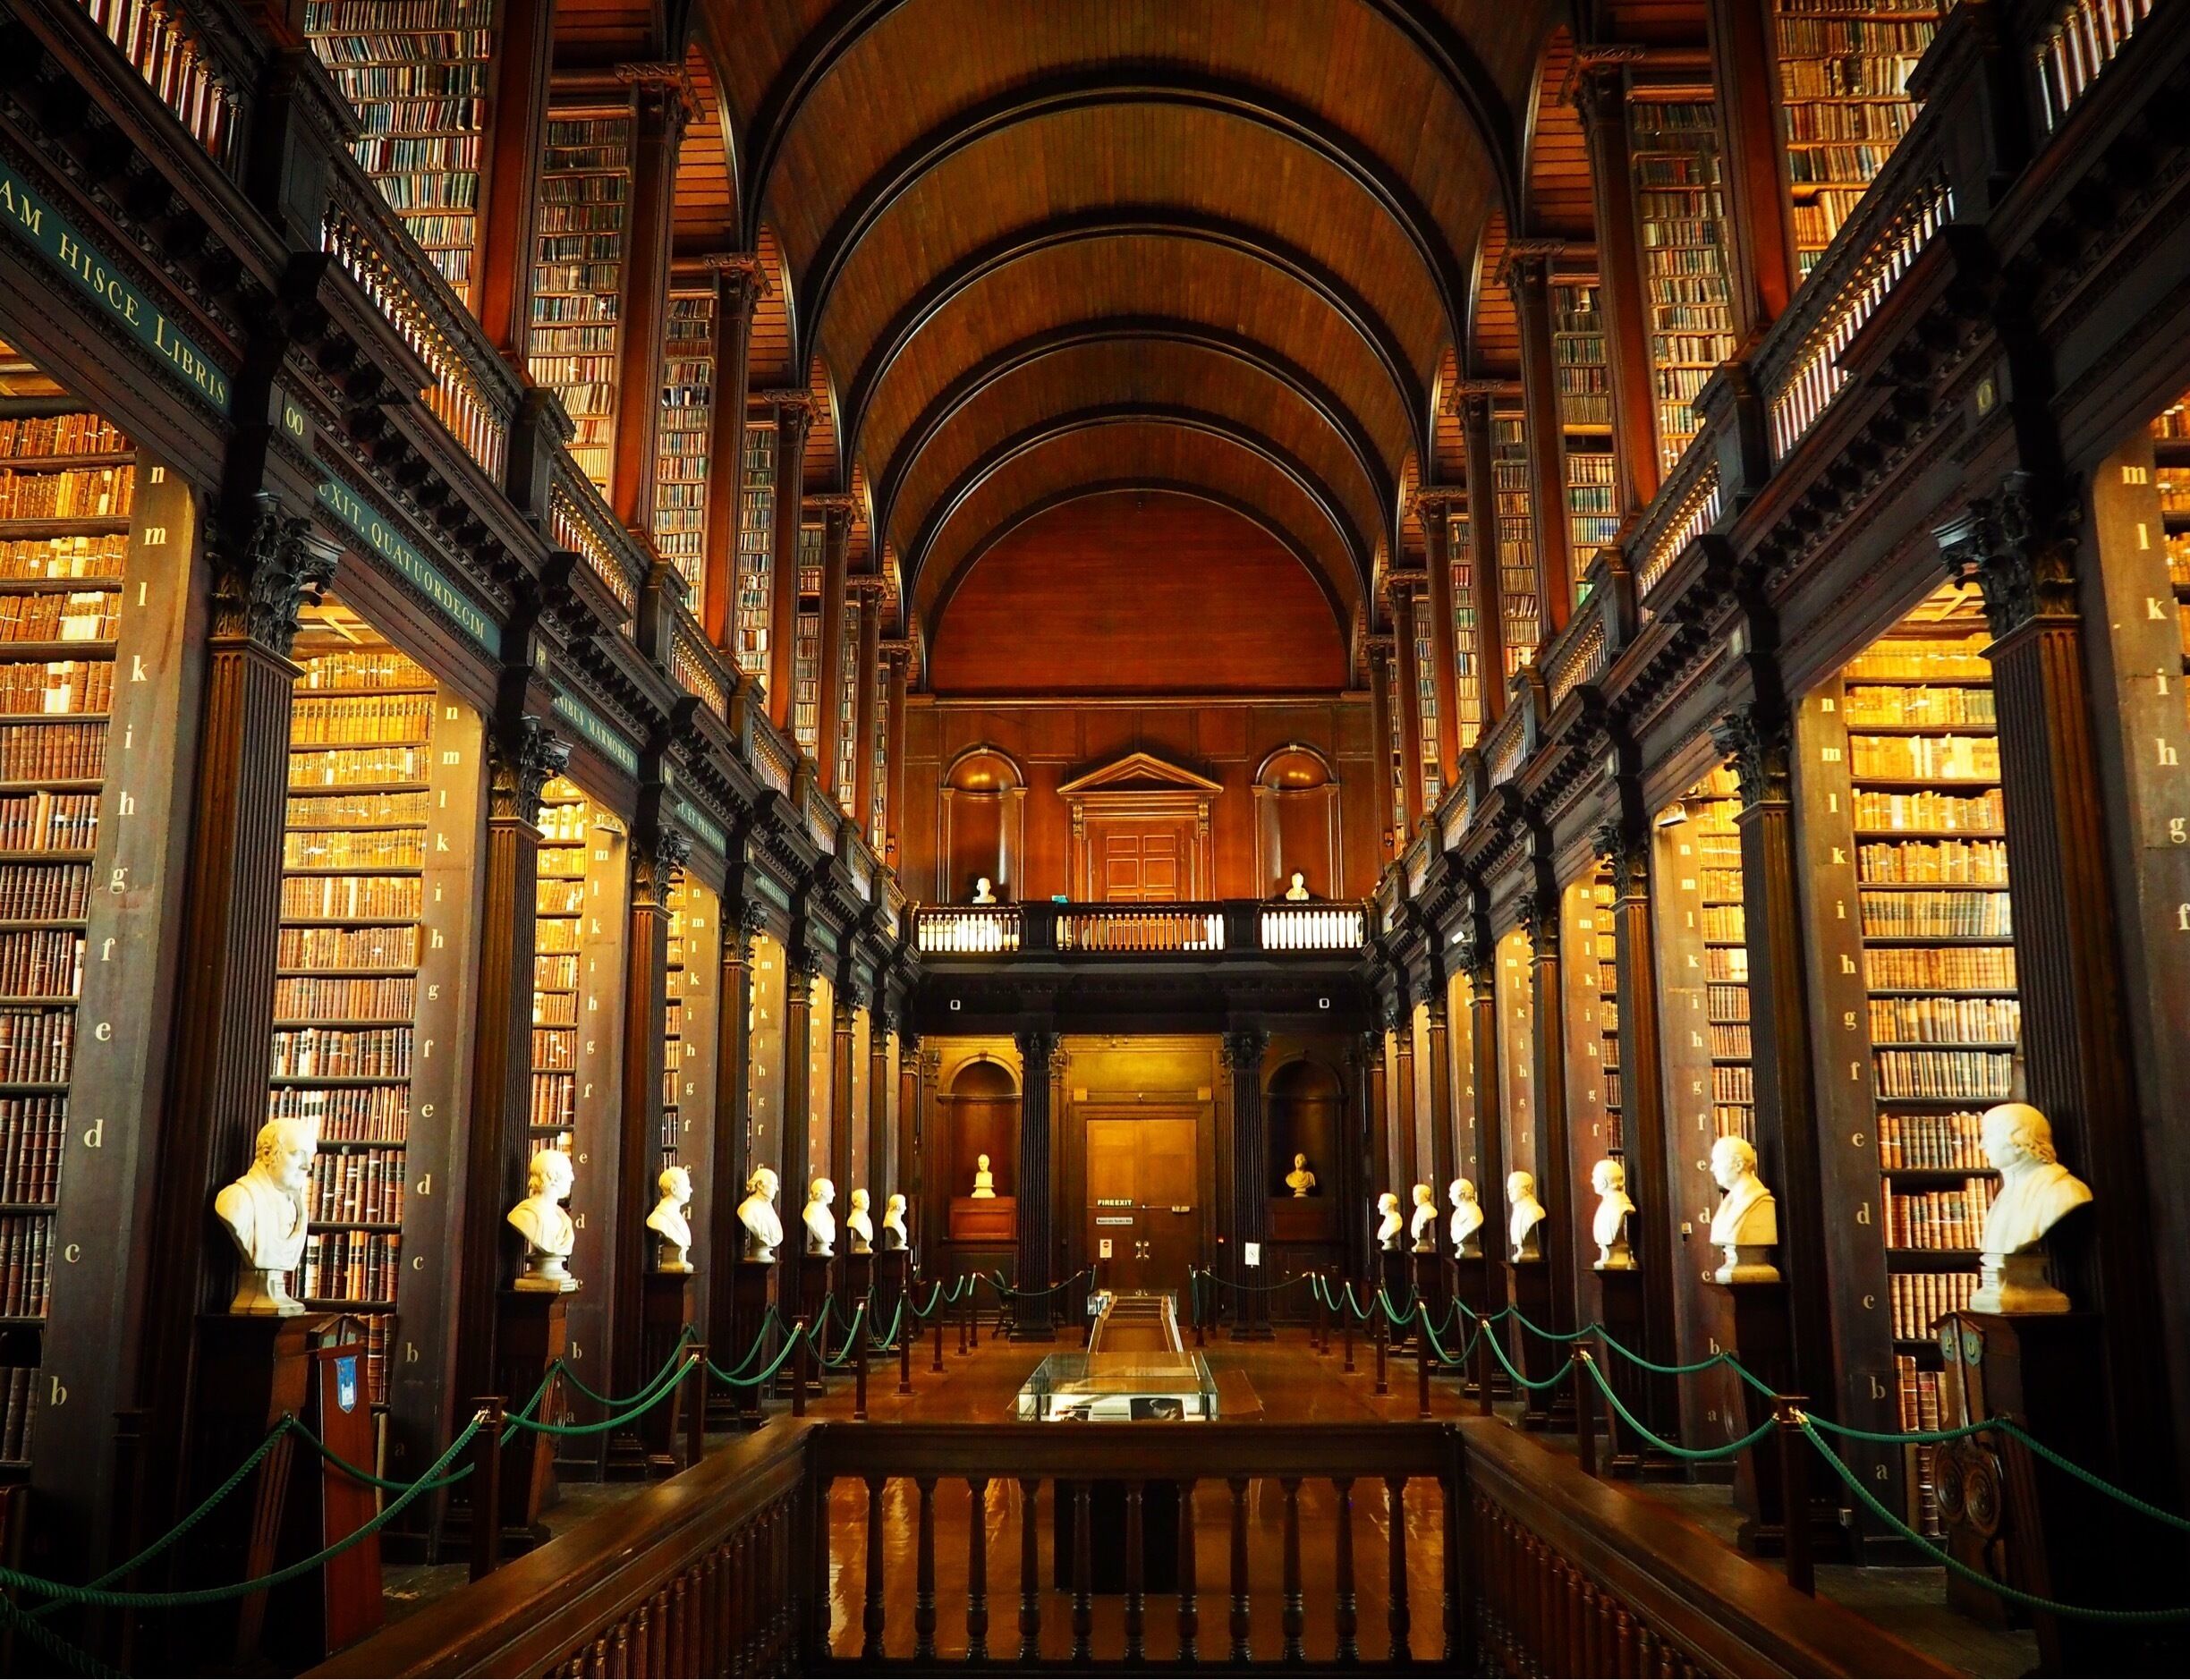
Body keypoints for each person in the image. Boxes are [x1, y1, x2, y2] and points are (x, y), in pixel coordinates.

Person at [213, 1116, 317, 1315]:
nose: (308, 1166)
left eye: (311, 1156)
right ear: (268, 1154)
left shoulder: (297, 1206)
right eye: (298, 1154)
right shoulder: (237, 1201)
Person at [509, 1148, 580, 1293]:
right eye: (568, 1171)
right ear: (553, 1176)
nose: (572, 1178)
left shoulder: (564, 1220)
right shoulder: (523, 1215)